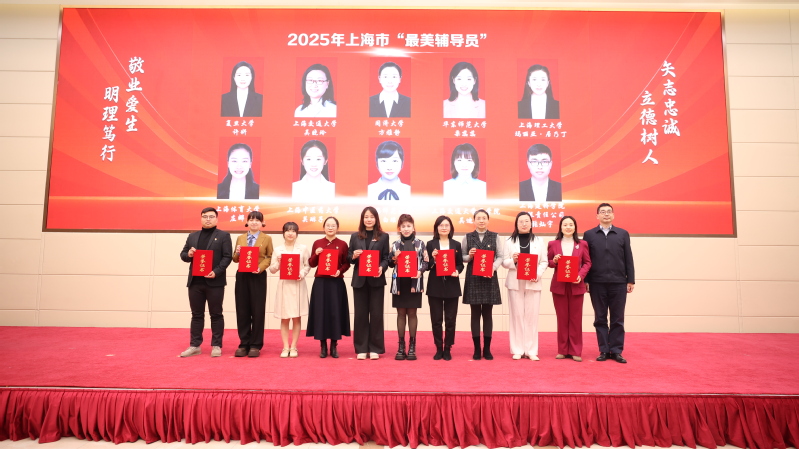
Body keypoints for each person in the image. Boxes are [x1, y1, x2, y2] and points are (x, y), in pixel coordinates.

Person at [582, 203, 635, 364]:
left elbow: (628, 257)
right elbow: (585, 259)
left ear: (613, 215)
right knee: (600, 318)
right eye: (603, 212)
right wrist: (586, 280)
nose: (606, 214)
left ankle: (617, 351)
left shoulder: (622, 234)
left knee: (617, 318)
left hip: (618, 282)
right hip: (596, 282)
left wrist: (630, 279)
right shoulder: (589, 234)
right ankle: (604, 350)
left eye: (609, 212)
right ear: (597, 216)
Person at [178, 207, 233, 358]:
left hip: (215, 282)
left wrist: (216, 271)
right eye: (205, 216)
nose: (208, 219)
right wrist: (189, 254)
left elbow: (227, 257)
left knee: (216, 314)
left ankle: (216, 345)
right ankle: (195, 345)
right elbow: (183, 254)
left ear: (217, 219)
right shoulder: (192, 236)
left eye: (211, 216)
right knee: (196, 315)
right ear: (201, 218)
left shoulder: (223, 236)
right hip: (195, 282)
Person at [502, 211, 548, 360]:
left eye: (527, 221)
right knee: (516, 315)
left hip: (533, 281)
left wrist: (537, 274)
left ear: (531, 223)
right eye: (521, 221)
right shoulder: (509, 241)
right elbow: (504, 262)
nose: (524, 224)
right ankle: (518, 349)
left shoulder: (539, 241)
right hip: (515, 281)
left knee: (531, 316)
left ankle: (531, 350)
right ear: (516, 224)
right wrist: (514, 261)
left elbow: (544, 262)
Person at [348, 206, 391, 359]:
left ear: (376, 219)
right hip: (359, 281)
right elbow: (348, 257)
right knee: (360, 315)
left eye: (372, 217)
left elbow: (386, 258)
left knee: (376, 315)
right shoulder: (355, 236)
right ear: (362, 219)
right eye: (366, 217)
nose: (369, 219)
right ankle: (361, 348)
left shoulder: (383, 237)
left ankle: (375, 348)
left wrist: (382, 268)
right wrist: (353, 256)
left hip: (376, 280)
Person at [547, 216, 591, 362]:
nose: (568, 227)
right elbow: (548, 262)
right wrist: (554, 261)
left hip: (576, 285)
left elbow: (587, 263)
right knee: (562, 318)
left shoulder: (582, 244)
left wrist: (580, 275)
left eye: (571, 224)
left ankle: (575, 350)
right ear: (560, 227)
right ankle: (562, 350)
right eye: (565, 224)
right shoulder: (553, 244)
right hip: (559, 286)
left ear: (575, 227)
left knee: (575, 319)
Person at [307, 216, 351, 358]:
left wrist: (340, 271)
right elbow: (312, 263)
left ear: (337, 228)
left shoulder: (342, 244)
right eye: (328, 225)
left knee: (335, 313)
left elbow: (347, 263)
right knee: (321, 313)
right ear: (323, 228)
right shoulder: (318, 243)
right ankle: (323, 346)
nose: (330, 228)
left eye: (333, 225)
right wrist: (316, 254)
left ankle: (334, 345)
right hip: (320, 283)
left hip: (336, 283)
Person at [461, 209, 503, 360]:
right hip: (473, 278)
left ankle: (487, 349)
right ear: (474, 220)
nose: (481, 220)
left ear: (488, 220)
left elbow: (500, 256)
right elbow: (462, 257)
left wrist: (493, 267)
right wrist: (469, 256)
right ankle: (477, 349)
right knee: (474, 314)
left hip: (489, 277)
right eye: (478, 218)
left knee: (487, 314)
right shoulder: (467, 237)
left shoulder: (495, 236)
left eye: (484, 218)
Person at [231, 211, 273, 358]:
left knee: (257, 310)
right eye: (251, 219)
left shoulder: (267, 238)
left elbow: (269, 257)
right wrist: (237, 253)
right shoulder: (240, 238)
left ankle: (255, 344)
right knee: (242, 309)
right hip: (242, 275)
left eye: (257, 220)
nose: (254, 222)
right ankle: (244, 343)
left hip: (258, 276)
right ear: (247, 222)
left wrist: (260, 268)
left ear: (262, 223)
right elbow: (235, 259)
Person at [388, 214, 428, 361]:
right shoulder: (395, 244)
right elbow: (390, 263)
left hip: (414, 283)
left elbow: (426, 262)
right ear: (399, 228)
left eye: (408, 226)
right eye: (403, 226)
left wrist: (420, 271)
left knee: (412, 313)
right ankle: (401, 346)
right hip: (399, 283)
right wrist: (394, 257)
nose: (406, 229)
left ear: (413, 227)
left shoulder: (420, 244)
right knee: (400, 313)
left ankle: (412, 346)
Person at [268, 222, 311, 358]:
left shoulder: (303, 248)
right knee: (285, 317)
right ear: (283, 233)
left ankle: (294, 347)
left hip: (298, 284)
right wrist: (279, 263)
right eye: (288, 231)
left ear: (297, 233)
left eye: (293, 231)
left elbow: (308, 265)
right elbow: (272, 269)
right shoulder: (278, 250)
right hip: (285, 286)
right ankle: (285, 346)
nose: (290, 233)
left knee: (297, 317)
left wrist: (301, 274)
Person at [426, 215, 464, 361]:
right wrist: (433, 259)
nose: (444, 228)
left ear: (451, 228)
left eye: (446, 225)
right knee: (436, 320)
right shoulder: (430, 244)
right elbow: (427, 266)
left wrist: (457, 271)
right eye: (441, 225)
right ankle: (438, 347)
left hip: (452, 286)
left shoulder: (456, 245)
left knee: (450, 320)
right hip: (435, 286)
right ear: (436, 228)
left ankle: (448, 347)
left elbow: (460, 264)